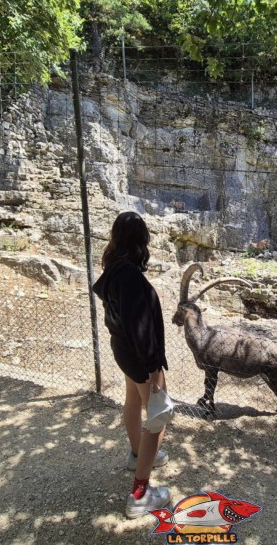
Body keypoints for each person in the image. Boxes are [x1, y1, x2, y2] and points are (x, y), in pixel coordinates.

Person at [92, 211, 172, 518]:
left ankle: (138, 454)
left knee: (132, 401)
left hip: (123, 350)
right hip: (139, 357)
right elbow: (140, 328)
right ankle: (140, 495)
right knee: (157, 419)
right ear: (142, 239)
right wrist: (153, 368)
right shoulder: (130, 277)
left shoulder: (114, 268)